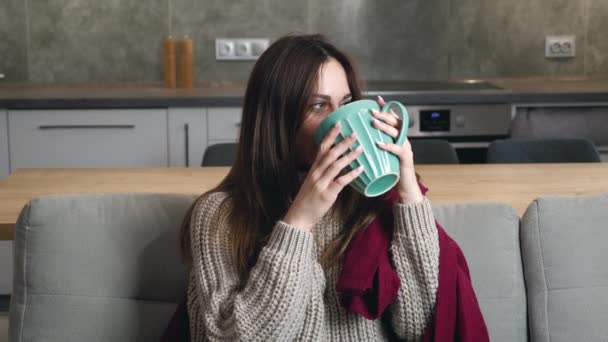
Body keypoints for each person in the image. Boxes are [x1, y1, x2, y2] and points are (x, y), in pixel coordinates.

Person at [179, 33, 440, 341]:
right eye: (318, 105)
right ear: (276, 122)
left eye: (345, 103)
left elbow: (421, 327)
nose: (340, 123)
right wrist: (298, 223)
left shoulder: (373, 204)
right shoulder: (220, 216)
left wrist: (408, 193)